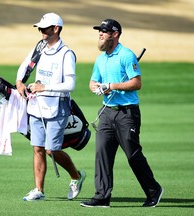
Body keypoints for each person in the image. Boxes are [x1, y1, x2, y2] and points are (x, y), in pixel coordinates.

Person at [80, 19, 163, 208]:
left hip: (127, 113)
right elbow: (93, 82)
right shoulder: (100, 59)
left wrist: (111, 86)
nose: (100, 34)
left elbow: (136, 83)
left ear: (115, 34)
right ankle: (102, 196)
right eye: (99, 31)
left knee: (133, 155)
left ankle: (153, 190)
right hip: (107, 113)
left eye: (104, 31)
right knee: (102, 154)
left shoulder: (126, 55)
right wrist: (98, 88)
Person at [16, 12, 86, 201]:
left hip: (58, 105)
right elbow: (25, 64)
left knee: (51, 149)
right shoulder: (40, 47)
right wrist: (19, 81)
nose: (41, 31)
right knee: (37, 147)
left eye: (45, 28)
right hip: (37, 104)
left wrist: (43, 87)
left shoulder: (66, 53)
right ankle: (39, 190)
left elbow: (70, 85)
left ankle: (76, 176)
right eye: (40, 28)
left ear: (56, 29)